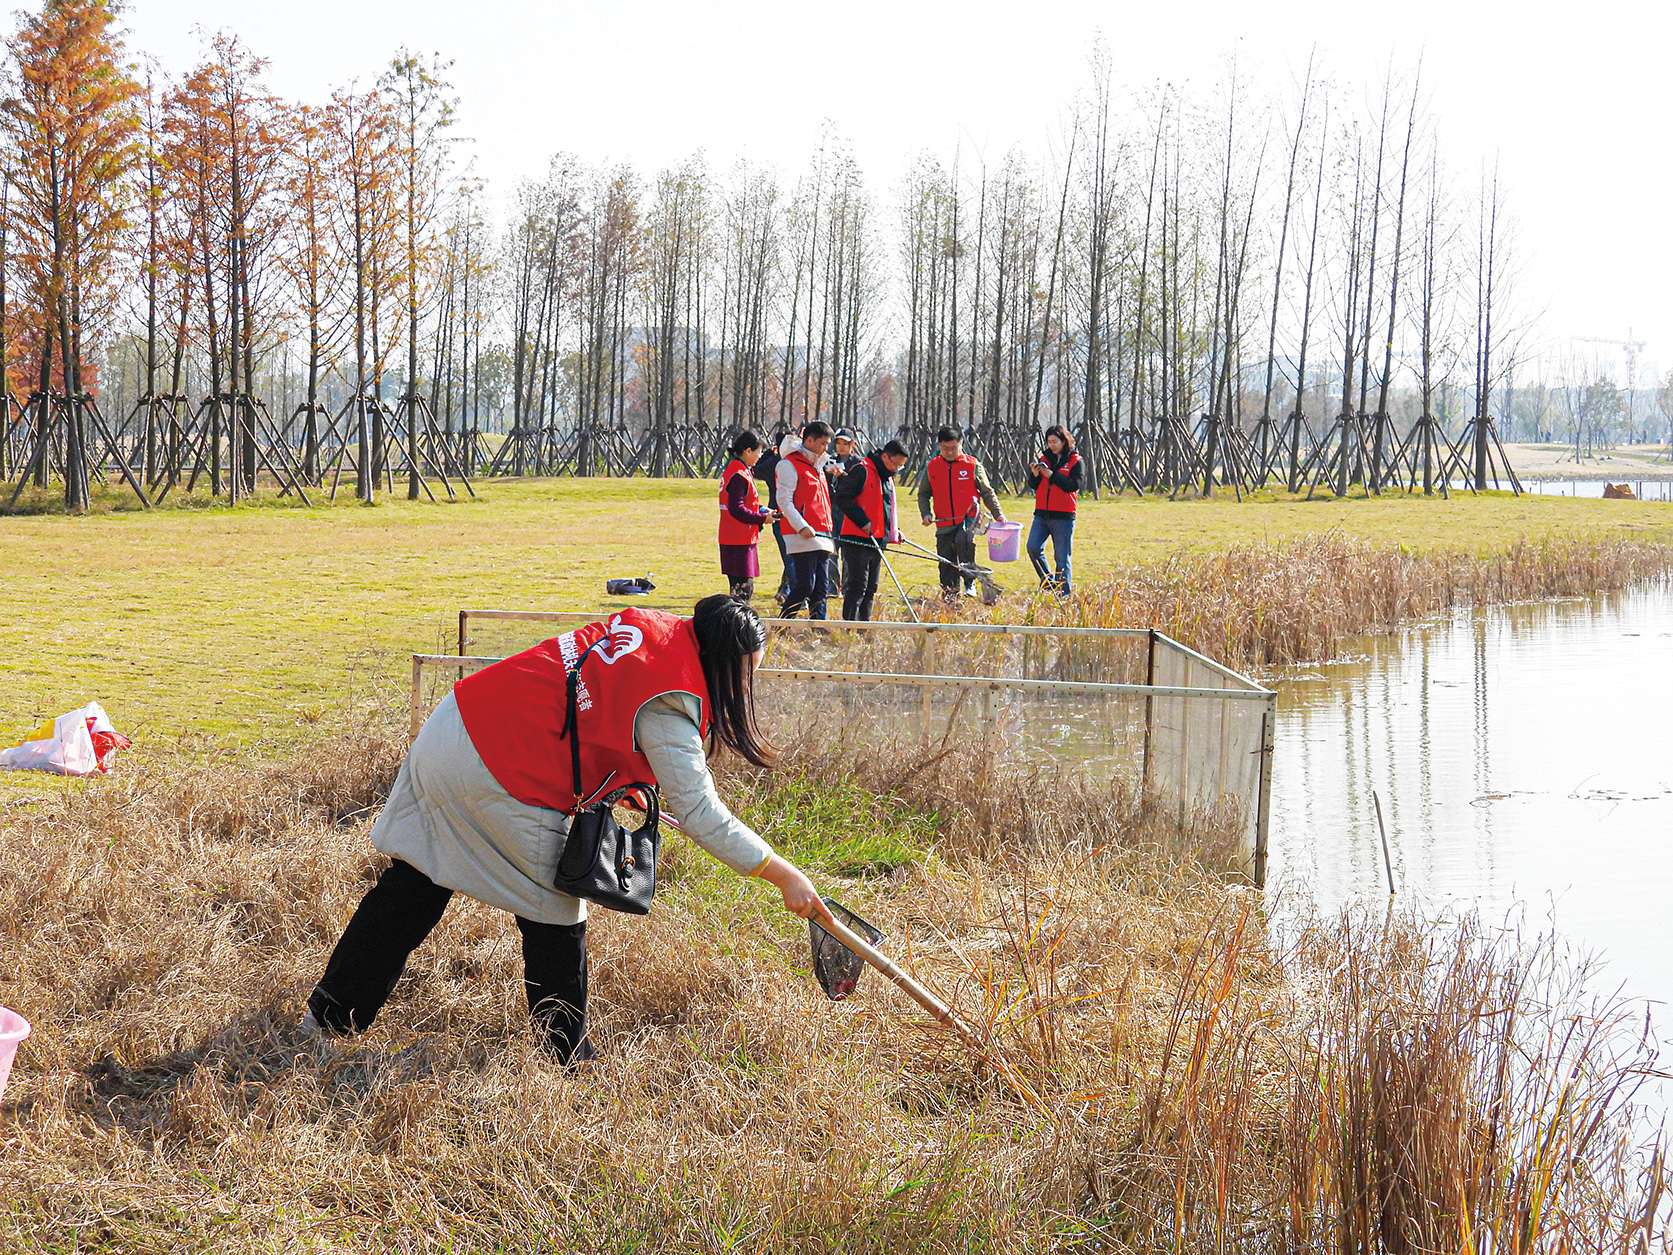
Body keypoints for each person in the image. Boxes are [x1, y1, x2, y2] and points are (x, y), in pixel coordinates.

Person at [303, 597, 833, 1064]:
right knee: (556, 911)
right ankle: (567, 1060)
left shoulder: (659, 634)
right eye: (744, 675)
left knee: (416, 883)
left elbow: (591, 705)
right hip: (501, 767)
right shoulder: (671, 701)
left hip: (454, 727)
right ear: (718, 663)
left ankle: (326, 1019)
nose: (745, 688)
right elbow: (702, 814)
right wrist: (782, 873)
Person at [918, 426, 1007, 600]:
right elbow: (923, 494)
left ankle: (969, 580)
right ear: (939, 446)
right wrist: (925, 513)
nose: (950, 452)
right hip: (944, 523)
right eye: (945, 448)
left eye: (954, 448)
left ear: (961, 444)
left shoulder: (973, 465)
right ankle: (951, 601)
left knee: (963, 540)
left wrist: (998, 514)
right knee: (946, 565)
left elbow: (987, 492)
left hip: (969, 520)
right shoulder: (932, 467)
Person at [834, 438, 909, 621]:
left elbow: (885, 508)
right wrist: (862, 521)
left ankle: (865, 627)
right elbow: (843, 498)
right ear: (885, 456)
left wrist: (893, 530)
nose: (896, 469)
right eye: (896, 464)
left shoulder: (886, 478)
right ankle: (849, 628)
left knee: (871, 588)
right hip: (857, 538)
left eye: (901, 466)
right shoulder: (862, 470)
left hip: (877, 540)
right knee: (858, 586)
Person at [775, 420, 835, 619]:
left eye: (827, 444)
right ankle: (783, 624)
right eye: (823, 443)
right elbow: (784, 501)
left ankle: (818, 627)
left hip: (822, 533)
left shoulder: (818, 466)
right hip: (801, 535)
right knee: (804, 586)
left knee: (821, 587)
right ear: (809, 440)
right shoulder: (788, 464)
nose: (826, 448)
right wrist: (801, 526)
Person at [717, 431, 777, 603]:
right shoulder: (738, 474)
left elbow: (745, 503)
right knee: (742, 591)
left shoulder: (739, 470)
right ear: (748, 451)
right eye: (759, 452)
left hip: (739, 538)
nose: (760, 456)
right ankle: (736, 627)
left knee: (742, 589)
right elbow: (737, 509)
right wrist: (762, 518)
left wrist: (763, 510)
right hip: (738, 540)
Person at [1027, 425, 1082, 596]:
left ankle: (1064, 594)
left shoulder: (1075, 461)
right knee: (1033, 548)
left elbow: (1074, 485)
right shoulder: (1044, 458)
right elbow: (1034, 485)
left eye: (1055, 441)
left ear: (1064, 440)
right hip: (1042, 514)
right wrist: (1035, 475)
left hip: (1064, 517)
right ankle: (1049, 583)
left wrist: (1053, 475)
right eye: (1049, 442)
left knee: (1062, 558)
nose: (1052, 445)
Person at [824, 429, 863, 597]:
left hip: (849, 513)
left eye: (845, 444)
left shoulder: (858, 464)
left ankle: (848, 586)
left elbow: (857, 486)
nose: (841, 447)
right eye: (838, 443)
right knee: (831, 550)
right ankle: (832, 587)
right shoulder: (829, 460)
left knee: (849, 552)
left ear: (852, 444)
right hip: (832, 510)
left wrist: (843, 476)